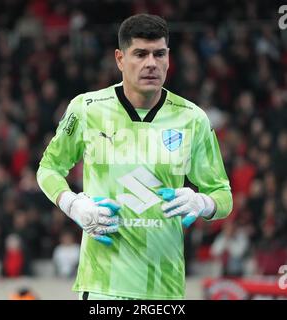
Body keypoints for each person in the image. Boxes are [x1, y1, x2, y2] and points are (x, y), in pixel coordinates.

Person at [37, 13, 233, 300]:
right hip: (103, 285)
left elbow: (224, 196)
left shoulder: (192, 119)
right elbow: (48, 168)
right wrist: (72, 204)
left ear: (168, 58)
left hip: (164, 289)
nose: (151, 63)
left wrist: (201, 202)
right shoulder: (86, 109)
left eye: (159, 54)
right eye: (140, 54)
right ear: (120, 59)